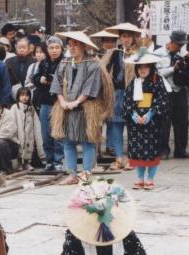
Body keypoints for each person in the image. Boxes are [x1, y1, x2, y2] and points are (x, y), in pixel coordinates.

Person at [50, 30, 112, 185]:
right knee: (68, 141)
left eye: (76, 45)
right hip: (66, 107)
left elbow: (91, 88)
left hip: (87, 108)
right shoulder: (64, 63)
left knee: (88, 141)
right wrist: (62, 101)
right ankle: (71, 173)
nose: (72, 48)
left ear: (84, 46)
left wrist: (76, 102)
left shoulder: (93, 65)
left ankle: (86, 173)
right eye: (70, 45)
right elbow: (57, 84)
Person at [123, 49, 169, 190]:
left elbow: (162, 100)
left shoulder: (157, 81)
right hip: (136, 123)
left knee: (151, 150)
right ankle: (139, 178)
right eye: (140, 67)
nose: (143, 70)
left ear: (151, 67)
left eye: (146, 67)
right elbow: (127, 101)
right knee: (138, 150)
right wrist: (134, 115)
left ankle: (150, 179)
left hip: (152, 122)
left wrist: (150, 114)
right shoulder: (134, 82)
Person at [101, 22, 142, 171]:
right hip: (117, 94)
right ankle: (118, 157)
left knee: (133, 126)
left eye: (128, 37)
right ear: (120, 38)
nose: (125, 40)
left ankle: (132, 157)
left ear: (133, 38)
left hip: (134, 94)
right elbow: (103, 71)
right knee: (116, 125)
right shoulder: (114, 53)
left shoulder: (139, 54)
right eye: (123, 37)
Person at [156, 30, 189, 160]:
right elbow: (157, 73)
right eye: (178, 45)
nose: (180, 47)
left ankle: (181, 150)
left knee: (182, 121)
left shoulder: (182, 54)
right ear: (171, 42)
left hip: (180, 90)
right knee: (164, 121)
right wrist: (173, 68)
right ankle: (163, 150)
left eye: (182, 45)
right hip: (165, 90)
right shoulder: (158, 53)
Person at [33, 36, 64, 172]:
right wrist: (41, 79)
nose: (54, 50)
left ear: (61, 49)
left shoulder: (66, 63)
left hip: (59, 102)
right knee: (45, 134)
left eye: (57, 47)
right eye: (51, 48)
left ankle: (58, 161)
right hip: (45, 101)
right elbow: (34, 79)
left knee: (57, 134)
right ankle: (49, 160)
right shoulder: (43, 63)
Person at [11, 87, 44, 171]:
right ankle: (19, 163)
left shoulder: (31, 108)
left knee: (28, 147)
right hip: (18, 133)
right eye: (22, 95)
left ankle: (26, 163)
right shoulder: (15, 107)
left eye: (27, 95)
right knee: (19, 148)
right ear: (18, 96)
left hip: (29, 133)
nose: (24, 97)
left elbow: (36, 124)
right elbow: (11, 121)